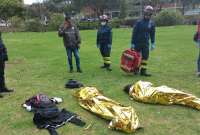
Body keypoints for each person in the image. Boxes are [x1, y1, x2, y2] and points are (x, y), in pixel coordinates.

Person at [131, 5, 156, 77]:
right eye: (146, 14)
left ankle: (143, 71)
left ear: (151, 15)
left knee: (145, 57)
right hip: (137, 43)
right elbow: (134, 33)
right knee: (136, 57)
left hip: (145, 43)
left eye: (149, 15)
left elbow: (152, 33)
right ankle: (135, 69)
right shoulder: (139, 22)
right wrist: (132, 43)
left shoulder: (151, 23)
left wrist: (153, 42)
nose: (147, 16)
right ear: (144, 14)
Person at [0, 31, 14, 98]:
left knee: (1, 74)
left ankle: (2, 88)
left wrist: (5, 55)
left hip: (1, 57)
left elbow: (2, 45)